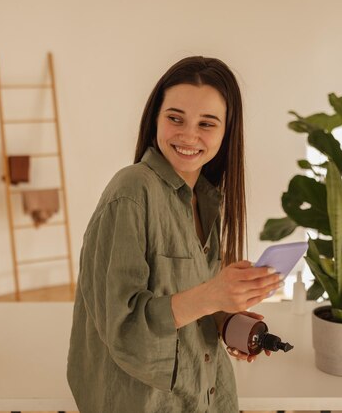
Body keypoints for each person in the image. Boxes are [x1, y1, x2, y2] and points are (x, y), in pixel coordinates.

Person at [67, 56, 283, 412]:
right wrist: (213, 294)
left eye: (207, 123)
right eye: (175, 118)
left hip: (203, 394)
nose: (189, 135)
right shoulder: (131, 191)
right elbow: (124, 327)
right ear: (155, 118)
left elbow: (186, 301)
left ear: (227, 131)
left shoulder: (207, 199)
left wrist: (225, 319)